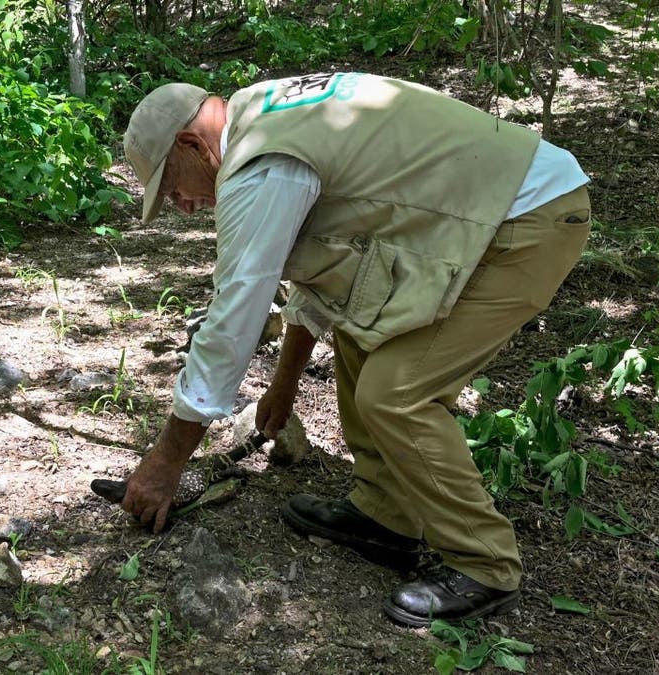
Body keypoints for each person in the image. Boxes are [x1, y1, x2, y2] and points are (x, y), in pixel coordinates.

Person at [119, 72, 590, 624]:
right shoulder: (268, 116)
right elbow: (322, 279)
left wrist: (166, 461)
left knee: (397, 394)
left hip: (525, 219)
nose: (183, 206)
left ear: (192, 144)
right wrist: (284, 383)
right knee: (364, 332)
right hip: (492, 208)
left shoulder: (260, 165)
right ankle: (385, 516)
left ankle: (485, 564)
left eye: (172, 188)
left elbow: (234, 316)